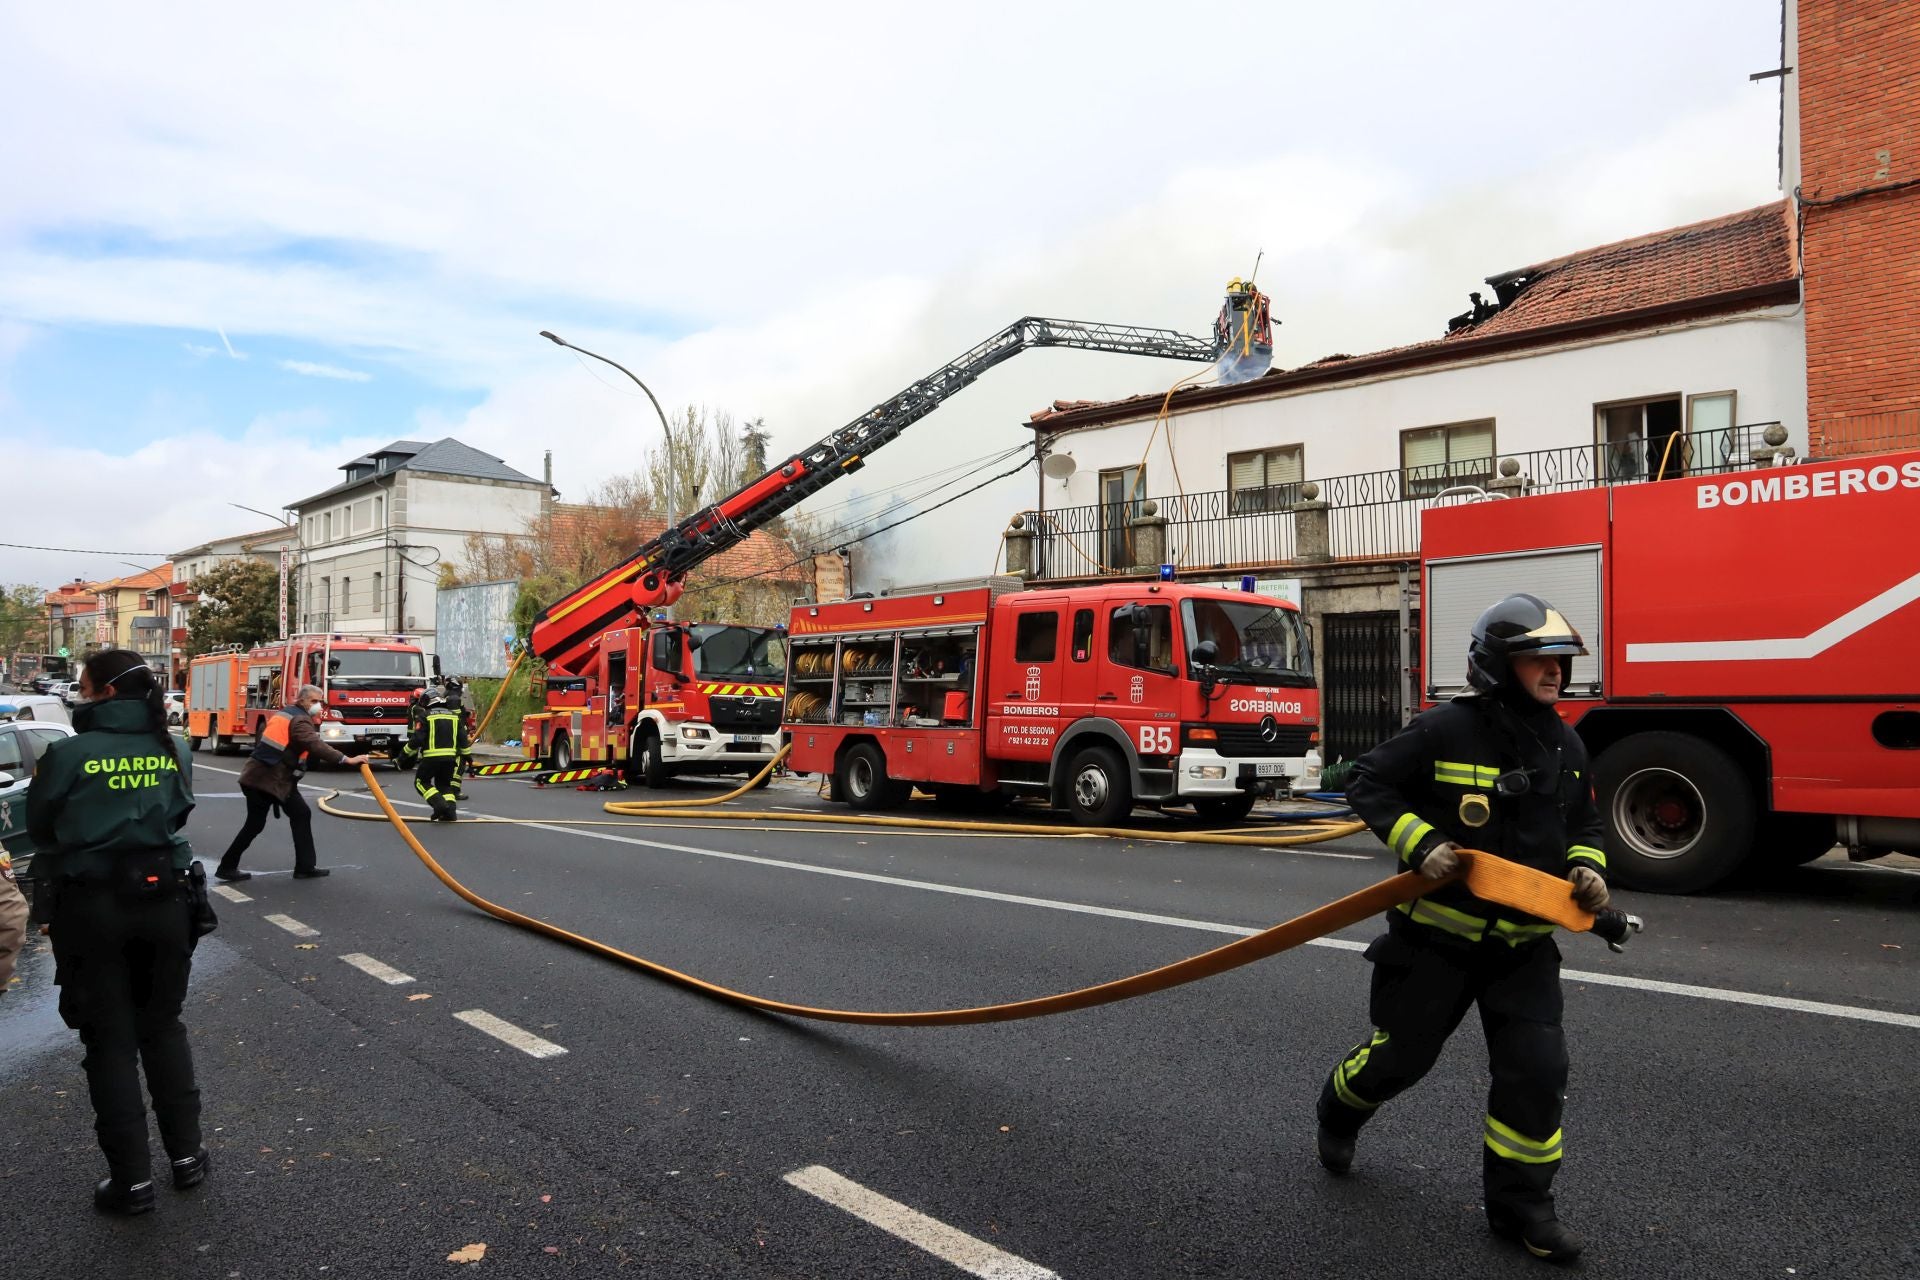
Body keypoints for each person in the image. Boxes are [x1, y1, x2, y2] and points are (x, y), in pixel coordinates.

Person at [1315, 594, 1609, 1264]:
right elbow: (1369, 783)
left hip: (1523, 950)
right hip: (1433, 945)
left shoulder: (1567, 745)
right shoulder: (1444, 730)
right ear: (1498, 663)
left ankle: (1523, 1208)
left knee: (1537, 1073)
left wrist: (1589, 870)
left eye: (1560, 661)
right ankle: (1339, 1109)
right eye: (1540, 658)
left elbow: (1582, 827)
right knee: (1401, 1060)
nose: (1555, 672)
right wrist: (1420, 843)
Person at [23, 649, 211, 1214]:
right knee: (163, 1027)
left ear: (103, 691)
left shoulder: (67, 754)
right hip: (166, 900)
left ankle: (131, 1183)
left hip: (90, 904)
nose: (78, 693)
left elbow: (41, 827)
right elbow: (177, 816)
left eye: (82, 684)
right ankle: (187, 1159)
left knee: (109, 1040)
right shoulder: (172, 746)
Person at [215, 684, 369, 882]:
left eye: (320, 702)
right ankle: (229, 866)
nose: (318, 706)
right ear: (302, 700)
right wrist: (346, 759)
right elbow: (315, 745)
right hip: (267, 780)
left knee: (297, 815)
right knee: (257, 824)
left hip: (269, 778)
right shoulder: (300, 720)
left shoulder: (287, 713)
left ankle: (304, 866)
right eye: (314, 701)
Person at [397, 685, 471, 821]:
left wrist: (402, 757)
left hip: (431, 758)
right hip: (450, 759)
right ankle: (450, 813)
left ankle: (439, 805)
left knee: (421, 782)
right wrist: (469, 760)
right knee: (444, 785)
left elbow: (417, 740)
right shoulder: (454, 716)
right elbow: (463, 740)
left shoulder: (425, 716)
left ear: (426, 701)